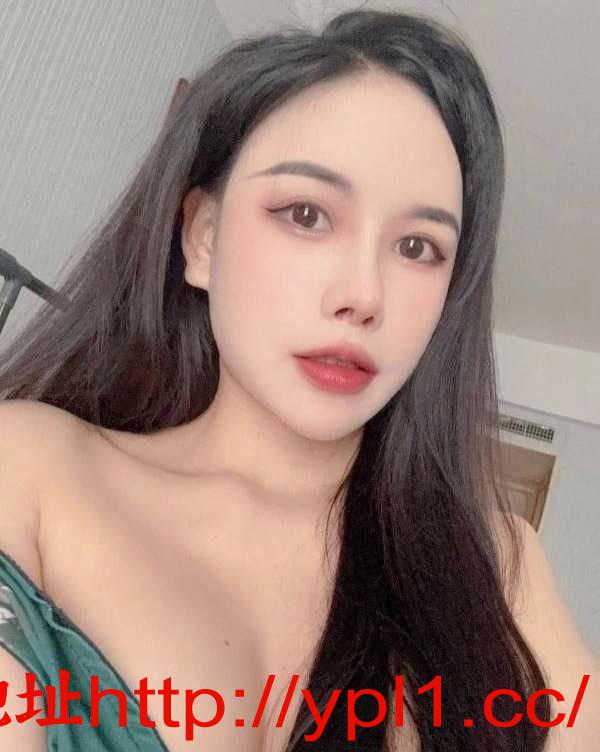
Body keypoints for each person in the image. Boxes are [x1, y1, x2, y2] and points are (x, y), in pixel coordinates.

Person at [0, 7, 597, 752]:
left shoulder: (500, 568)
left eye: (418, 247)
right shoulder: (32, 468)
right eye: (307, 214)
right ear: (202, 239)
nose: (364, 294)